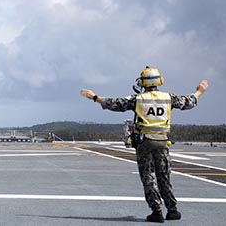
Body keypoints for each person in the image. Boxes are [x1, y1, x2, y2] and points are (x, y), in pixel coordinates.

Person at [80, 67, 208, 223]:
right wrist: (199, 91)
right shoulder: (169, 98)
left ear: (142, 82)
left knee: (148, 177)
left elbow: (115, 104)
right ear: (159, 81)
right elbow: (188, 102)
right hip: (162, 142)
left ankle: (156, 211)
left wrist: (94, 97)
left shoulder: (138, 99)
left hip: (144, 142)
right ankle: (172, 210)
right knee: (164, 177)